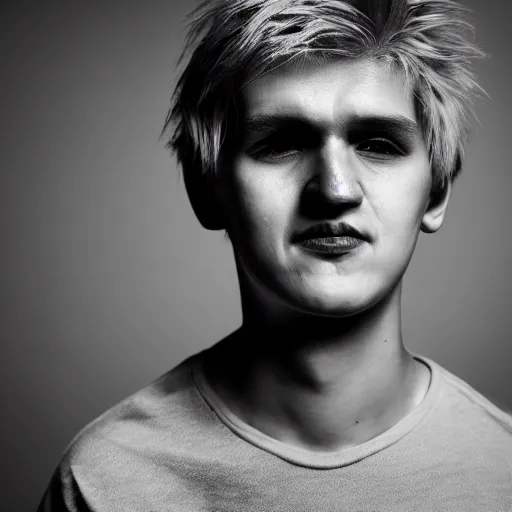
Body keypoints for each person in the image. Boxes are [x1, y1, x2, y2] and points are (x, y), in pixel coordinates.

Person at [37, 0, 512, 510]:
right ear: (206, 189)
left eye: (378, 144)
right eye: (280, 144)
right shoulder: (104, 483)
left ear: (436, 191)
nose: (334, 189)